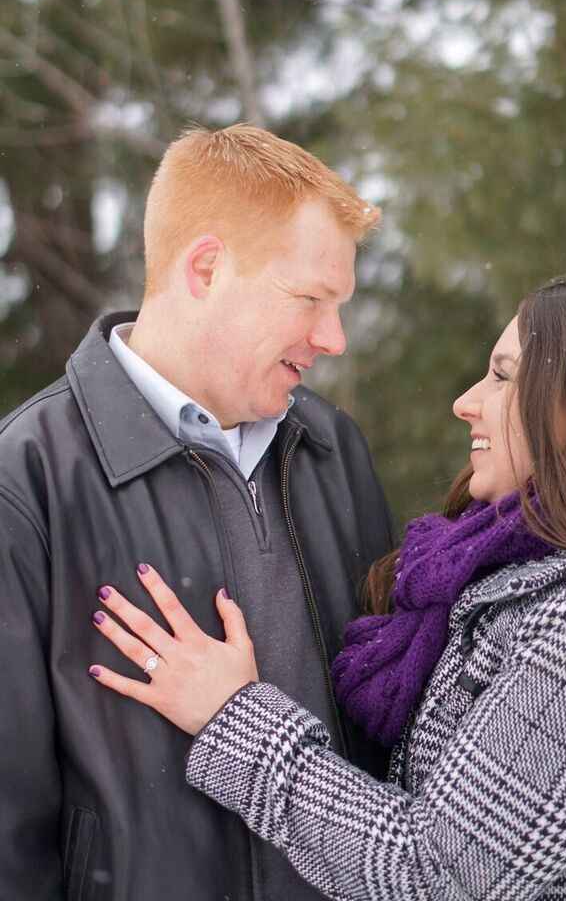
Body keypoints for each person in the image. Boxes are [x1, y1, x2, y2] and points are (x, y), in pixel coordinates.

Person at [91, 276, 566, 900]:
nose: (465, 402)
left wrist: (230, 714)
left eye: (504, 377)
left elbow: (434, 876)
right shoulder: (511, 575)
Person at [0, 125, 394, 900]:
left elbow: (385, 731)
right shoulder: (29, 479)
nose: (333, 338)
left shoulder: (332, 449)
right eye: (311, 298)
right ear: (207, 268)